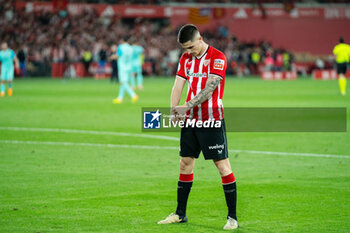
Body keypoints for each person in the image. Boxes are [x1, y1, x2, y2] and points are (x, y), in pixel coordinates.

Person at [157, 24, 238, 230]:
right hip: (190, 120)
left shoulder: (217, 57)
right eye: (185, 48)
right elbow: (177, 85)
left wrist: (186, 106)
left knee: (222, 166)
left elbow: (210, 89)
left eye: (191, 47)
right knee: (185, 163)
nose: (189, 52)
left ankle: (232, 218)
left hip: (211, 119)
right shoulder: (185, 59)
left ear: (200, 39)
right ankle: (180, 214)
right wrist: (174, 109)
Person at [113, 37, 138, 104]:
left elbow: (118, 56)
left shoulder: (121, 47)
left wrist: (112, 56)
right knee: (123, 83)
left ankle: (133, 95)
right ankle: (120, 98)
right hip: (129, 67)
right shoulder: (130, 48)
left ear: (122, 40)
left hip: (122, 67)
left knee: (123, 82)